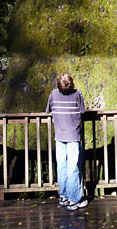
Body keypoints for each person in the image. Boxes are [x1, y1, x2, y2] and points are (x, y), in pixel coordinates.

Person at [46, 72, 88, 210]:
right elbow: (82, 111)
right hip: (73, 136)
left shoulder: (53, 94)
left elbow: (48, 110)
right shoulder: (77, 94)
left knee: (62, 167)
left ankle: (63, 196)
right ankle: (74, 199)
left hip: (59, 136)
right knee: (73, 167)